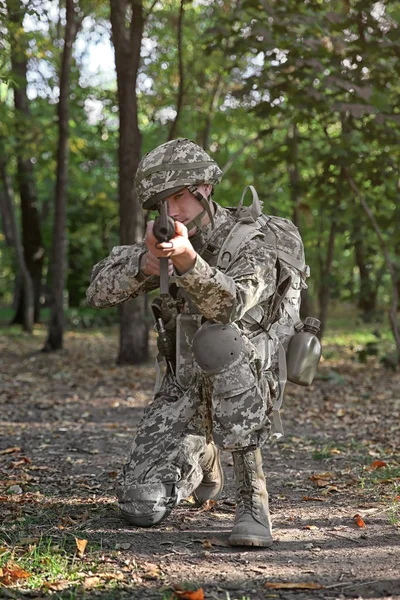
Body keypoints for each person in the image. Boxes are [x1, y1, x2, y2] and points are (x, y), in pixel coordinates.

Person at [86, 138, 307, 547]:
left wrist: (189, 263)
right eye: (160, 203)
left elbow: (232, 304)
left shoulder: (255, 240)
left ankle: (252, 497)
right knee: (140, 507)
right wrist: (144, 264)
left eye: (178, 196)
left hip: (251, 381)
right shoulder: (168, 239)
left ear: (205, 188)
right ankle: (205, 456)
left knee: (219, 337)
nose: (170, 211)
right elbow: (97, 291)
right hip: (185, 387)